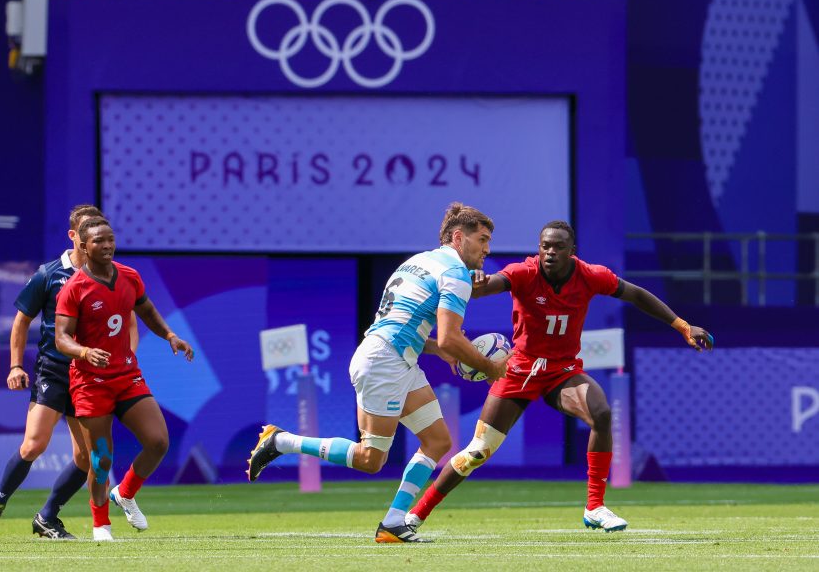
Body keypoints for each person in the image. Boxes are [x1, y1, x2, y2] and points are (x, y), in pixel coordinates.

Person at [405, 221, 714, 532]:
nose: (550, 252)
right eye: (545, 246)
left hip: (561, 372)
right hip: (519, 370)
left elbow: (636, 295)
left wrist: (683, 326)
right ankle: (415, 515)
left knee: (602, 414)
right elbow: (494, 283)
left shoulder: (591, 276)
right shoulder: (524, 272)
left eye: (557, 247)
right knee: (477, 452)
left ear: (572, 252)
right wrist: (478, 283)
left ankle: (595, 506)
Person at [247, 203, 510, 543]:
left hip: (393, 358)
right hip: (385, 363)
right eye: (482, 239)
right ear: (459, 237)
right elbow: (450, 337)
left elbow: (413, 329)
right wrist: (490, 368)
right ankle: (281, 441)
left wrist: (442, 352)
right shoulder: (455, 274)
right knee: (370, 459)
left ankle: (394, 523)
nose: (487, 249)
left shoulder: (417, 262)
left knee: (438, 441)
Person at [0, 205, 137, 539]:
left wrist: (126, 358)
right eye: (85, 233)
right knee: (33, 445)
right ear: (74, 236)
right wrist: (15, 365)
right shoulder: (49, 274)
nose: (92, 240)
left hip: (90, 377)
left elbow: (129, 319)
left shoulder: (112, 275)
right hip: (54, 371)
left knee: (87, 459)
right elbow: (22, 320)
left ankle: (47, 516)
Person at [54, 217, 194, 541]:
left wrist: (170, 335)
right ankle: (100, 524)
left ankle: (126, 492)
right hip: (91, 383)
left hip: (127, 375)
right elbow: (61, 338)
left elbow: (146, 311)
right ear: (84, 247)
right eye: (98, 241)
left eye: (110, 239)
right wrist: (84, 352)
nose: (106, 245)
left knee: (158, 441)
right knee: (101, 459)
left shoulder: (129, 276)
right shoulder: (74, 288)